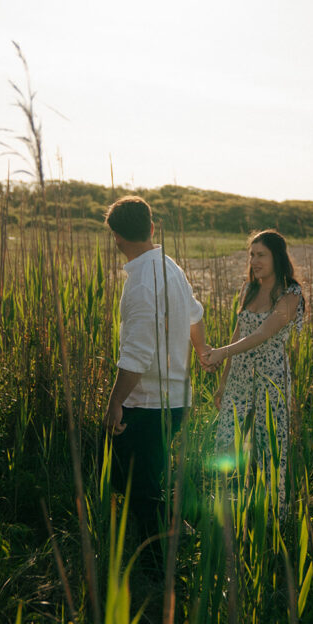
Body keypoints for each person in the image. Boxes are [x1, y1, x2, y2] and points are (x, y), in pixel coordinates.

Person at [103, 195, 209, 558]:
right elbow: (195, 316)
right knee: (141, 480)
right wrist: (202, 351)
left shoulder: (142, 284)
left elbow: (137, 353)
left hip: (147, 405)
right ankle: (176, 535)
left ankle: (156, 567)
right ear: (151, 228)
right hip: (176, 400)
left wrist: (116, 401)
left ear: (116, 236)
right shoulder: (171, 268)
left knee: (140, 489)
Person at [206, 229, 304, 513]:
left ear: (277, 257)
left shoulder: (291, 294)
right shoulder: (248, 289)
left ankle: (272, 515)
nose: (255, 260)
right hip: (238, 377)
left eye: (261, 255)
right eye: (251, 254)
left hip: (270, 379)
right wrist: (223, 382)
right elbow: (239, 333)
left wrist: (221, 352)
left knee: (269, 448)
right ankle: (226, 508)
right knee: (225, 441)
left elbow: (262, 333)